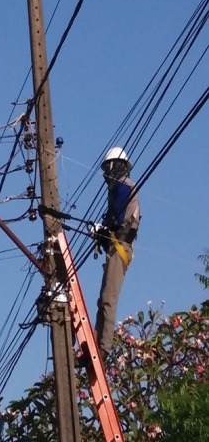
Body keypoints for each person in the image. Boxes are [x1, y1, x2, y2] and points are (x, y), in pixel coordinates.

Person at [92, 147, 141, 359]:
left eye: (107, 168)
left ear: (114, 166)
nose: (105, 174)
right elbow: (112, 219)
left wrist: (104, 229)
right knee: (103, 299)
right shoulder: (118, 190)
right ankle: (95, 343)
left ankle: (102, 348)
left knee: (108, 299)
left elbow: (118, 219)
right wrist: (102, 231)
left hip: (121, 246)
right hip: (117, 246)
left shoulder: (123, 187)